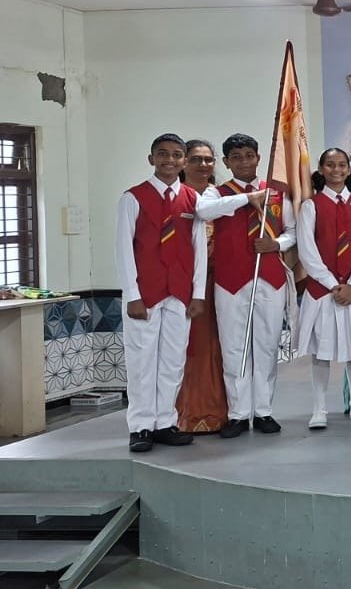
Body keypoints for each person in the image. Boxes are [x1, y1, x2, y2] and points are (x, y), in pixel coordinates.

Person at [197, 133, 296, 438]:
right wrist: (247, 199)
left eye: (249, 156)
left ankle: (263, 411)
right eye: (236, 157)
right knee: (234, 348)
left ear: (258, 158)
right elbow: (204, 211)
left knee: (266, 345)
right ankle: (238, 414)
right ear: (227, 162)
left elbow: (293, 231)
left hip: (269, 278)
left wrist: (277, 244)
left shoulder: (276, 193)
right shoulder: (217, 192)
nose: (244, 162)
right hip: (230, 281)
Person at [117, 133, 207, 452]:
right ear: (151, 158)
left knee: (173, 360)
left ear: (184, 160)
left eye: (177, 154)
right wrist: (132, 294)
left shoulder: (192, 199)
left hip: (180, 294)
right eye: (163, 154)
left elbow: (199, 249)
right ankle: (141, 426)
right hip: (146, 294)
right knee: (142, 361)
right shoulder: (133, 198)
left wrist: (198, 293)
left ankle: (165, 422)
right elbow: (124, 249)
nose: (170, 160)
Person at [296, 148, 351, 428]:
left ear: (349, 169)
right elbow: (307, 251)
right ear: (321, 169)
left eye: (342, 165)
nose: (336, 170)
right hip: (324, 291)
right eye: (330, 165)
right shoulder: (311, 206)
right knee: (321, 351)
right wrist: (334, 285)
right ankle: (319, 408)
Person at [175, 139, 228, 433]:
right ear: (184, 162)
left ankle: (221, 412)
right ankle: (186, 414)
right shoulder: (175, 198)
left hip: (219, 284)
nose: (203, 165)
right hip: (182, 285)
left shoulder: (221, 197)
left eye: (209, 159)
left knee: (217, 348)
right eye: (196, 159)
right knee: (187, 349)